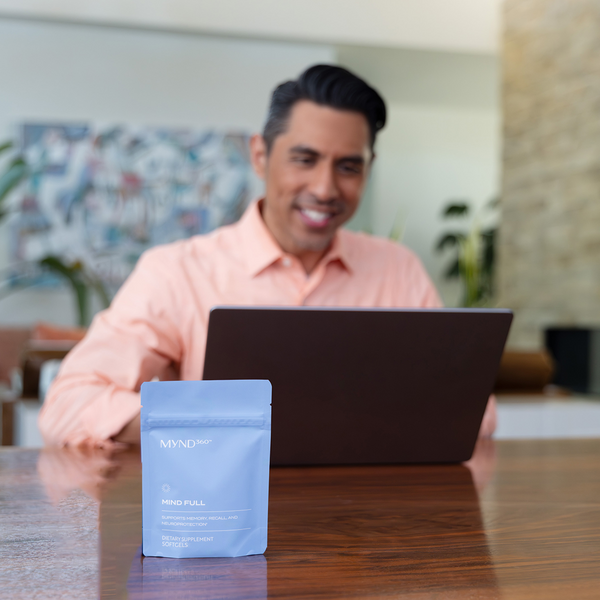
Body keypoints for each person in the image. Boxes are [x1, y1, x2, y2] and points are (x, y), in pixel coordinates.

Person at [39, 65, 497, 447]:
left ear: (368, 170)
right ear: (260, 156)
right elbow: (68, 405)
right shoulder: (177, 272)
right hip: (224, 526)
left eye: (348, 166)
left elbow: (476, 414)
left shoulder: (398, 269)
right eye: (305, 159)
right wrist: (209, 424)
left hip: (369, 533)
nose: (324, 188)